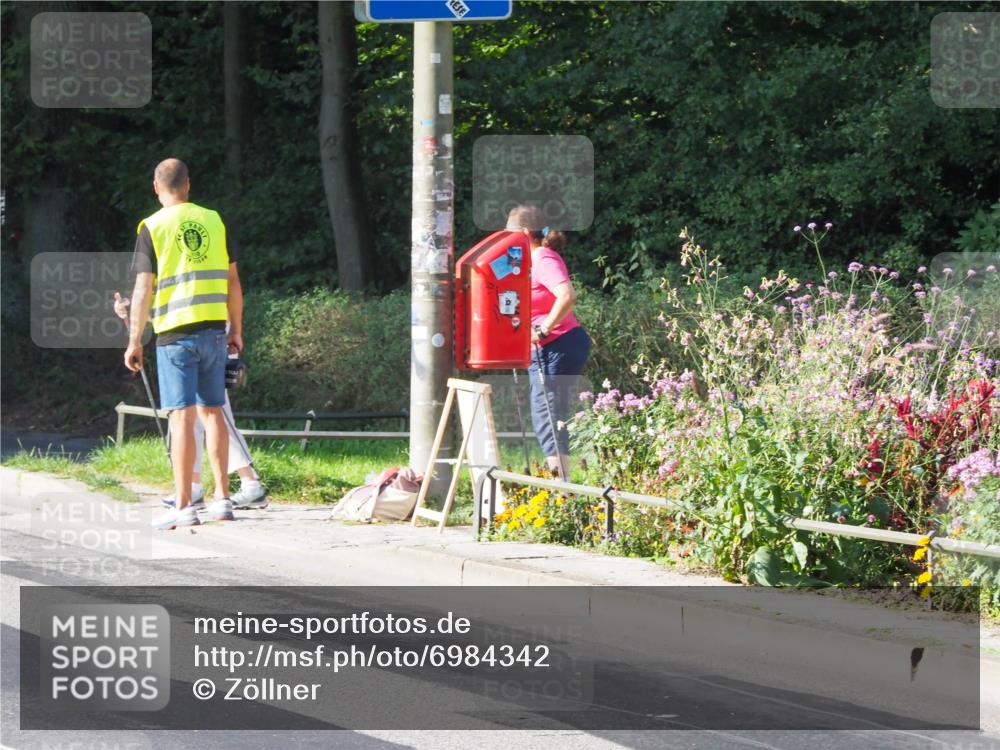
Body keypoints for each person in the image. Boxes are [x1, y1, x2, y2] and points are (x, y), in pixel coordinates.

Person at [123, 158, 243, 530]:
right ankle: (223, 499)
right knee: (213, 412)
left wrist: (134, 339)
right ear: (188, 185)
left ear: (156, 188)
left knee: (181, 417)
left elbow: (144, 288)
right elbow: (233, 281)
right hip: (214, 331)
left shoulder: (152, 227)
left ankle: (184, 506)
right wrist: (236, 329)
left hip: (174, 335)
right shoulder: (214, 220)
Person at [114, 292, 268, 511]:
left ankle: (249, 482)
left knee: (215, 414)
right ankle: (196, 485)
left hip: (206, 333)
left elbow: (184, 302)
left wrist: (137, 314)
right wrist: (135, 309)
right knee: (196, 415)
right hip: (202, 332)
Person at [506, 205, 592, 477]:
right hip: (552, 346)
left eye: (507, 235)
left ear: (522, 233)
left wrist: (542, 331)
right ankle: (561, 487)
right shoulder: (529, 261)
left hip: (556, 345)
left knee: (548, 417)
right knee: (548, 415)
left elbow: (567, 295)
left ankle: (562, 492)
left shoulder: (543, 257)